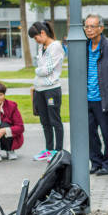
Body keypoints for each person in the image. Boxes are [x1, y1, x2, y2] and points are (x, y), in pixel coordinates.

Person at [84, 14, 108, 176]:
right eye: (87, 26)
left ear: (101, 28)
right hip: (87, 98)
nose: (89, 30)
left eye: (92, 26)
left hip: (105, 98)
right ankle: (96, 162)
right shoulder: (83, 46)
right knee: (90, 134)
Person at [29, 21, 64, 161]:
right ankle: (49, 150)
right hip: (39, 90)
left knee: (55, 120)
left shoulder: (56, 47)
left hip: (51, 90)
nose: (36, 41)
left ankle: (58, 150)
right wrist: (39, 72)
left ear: (42, 33)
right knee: (45, 122)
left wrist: (37, 71)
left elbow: (46, 70)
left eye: (36, 37)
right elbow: (41, 67)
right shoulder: (41, 47)